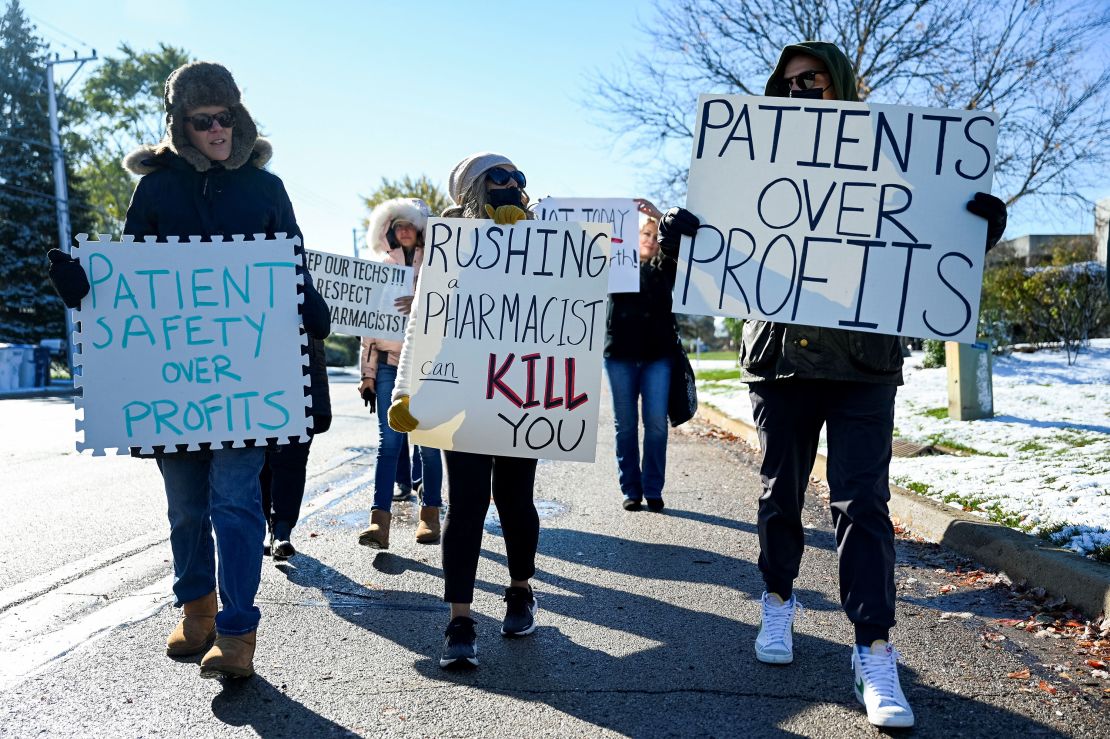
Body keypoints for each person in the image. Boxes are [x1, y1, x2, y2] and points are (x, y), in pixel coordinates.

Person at [657, 42, 1008, 729]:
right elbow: (721, 255)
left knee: (863, 505)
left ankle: (873, 647)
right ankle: (779, 597)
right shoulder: (751, 166)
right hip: (779, 361)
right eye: (785, 84)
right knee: (779, 493)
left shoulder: (899, 162)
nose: (797, 92)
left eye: (810, 79)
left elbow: (917, 249)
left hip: (862, 366)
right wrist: (682, 241)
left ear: (839, 82)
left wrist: (970, 233)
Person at [48, 61, 332, 680]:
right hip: (172, 386)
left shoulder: (266, 189)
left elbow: (293, 262)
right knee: (184, 509)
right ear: (180, 125)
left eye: (225, 117)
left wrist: (309, 304)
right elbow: (129, 281)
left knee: (235, 505)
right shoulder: (156, 191)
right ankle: (196, 608)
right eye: (202, 120)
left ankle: (236, 632)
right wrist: (83, 289)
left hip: (248, 384)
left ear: (238, 116)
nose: (217, 129)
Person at [386, 153, 540, 669]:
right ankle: (460, 618)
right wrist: (404, 392)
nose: (512, 185)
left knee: (516, 500)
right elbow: (422, 328)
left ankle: (519, 590)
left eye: (518, 178)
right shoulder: (446, 247)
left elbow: (576, 305)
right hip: (464, 390)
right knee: (467, 502)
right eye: (499, 178)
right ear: (472, 189)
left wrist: (529, 240)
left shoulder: (543, 235)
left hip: (520, 390)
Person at [357, 198, 443, 548]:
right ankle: (379, 523)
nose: (404, 231)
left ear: (420, 228)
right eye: (397, 227)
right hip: (389, 368)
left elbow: (450, 309)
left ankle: (430, 517)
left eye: (409, 225)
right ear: (388, 233)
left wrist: (420, 302)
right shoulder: (378, 269)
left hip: (428, 367)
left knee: (429, 445)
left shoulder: (438, 266)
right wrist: (367, 375)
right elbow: (367, 328)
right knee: (388, 443)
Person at [604, 200, 677, 512]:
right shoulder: (615, 266)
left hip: (657, 356)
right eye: (643, 234)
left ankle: (653, 488)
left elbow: (682, 244)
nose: (648, 239)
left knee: (657, 423)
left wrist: (659, 218)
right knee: (626, 425)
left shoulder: (667, 269)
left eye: (653, 235)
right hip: (619, 354)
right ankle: (631, 490)